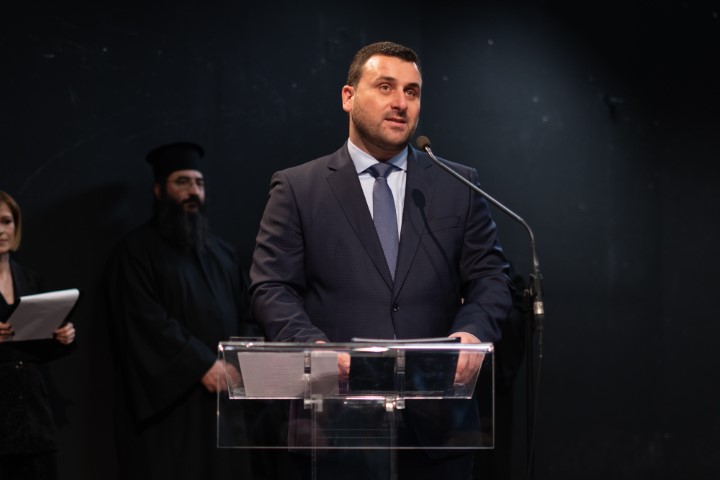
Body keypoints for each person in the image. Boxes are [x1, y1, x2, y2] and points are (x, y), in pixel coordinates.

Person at [249, 41, 514, 480]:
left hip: (438, 428)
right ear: (348, 97)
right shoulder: (298, 188)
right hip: (336, 422)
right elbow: (271, 286)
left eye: (412, 91)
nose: (400, 103)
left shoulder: (457, 184)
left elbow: (491, 276)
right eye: (386, 87)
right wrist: (315, 348)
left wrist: (473, 333)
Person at [103, 142, 255, 480]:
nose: (193, 192)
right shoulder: (135, 253)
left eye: (199, 183)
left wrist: (236, 362)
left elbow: (247, 313)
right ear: (159, 190)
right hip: (171, 407)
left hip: (224, 399)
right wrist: (202, 365)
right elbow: (143, 323)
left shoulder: (222, 253)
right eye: (182, 182)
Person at [0, 190, 76, 480]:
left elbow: (39, 347)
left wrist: (63, 337)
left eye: (6, 221)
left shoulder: (30, 279)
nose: (1, 230)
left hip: (32, 410)